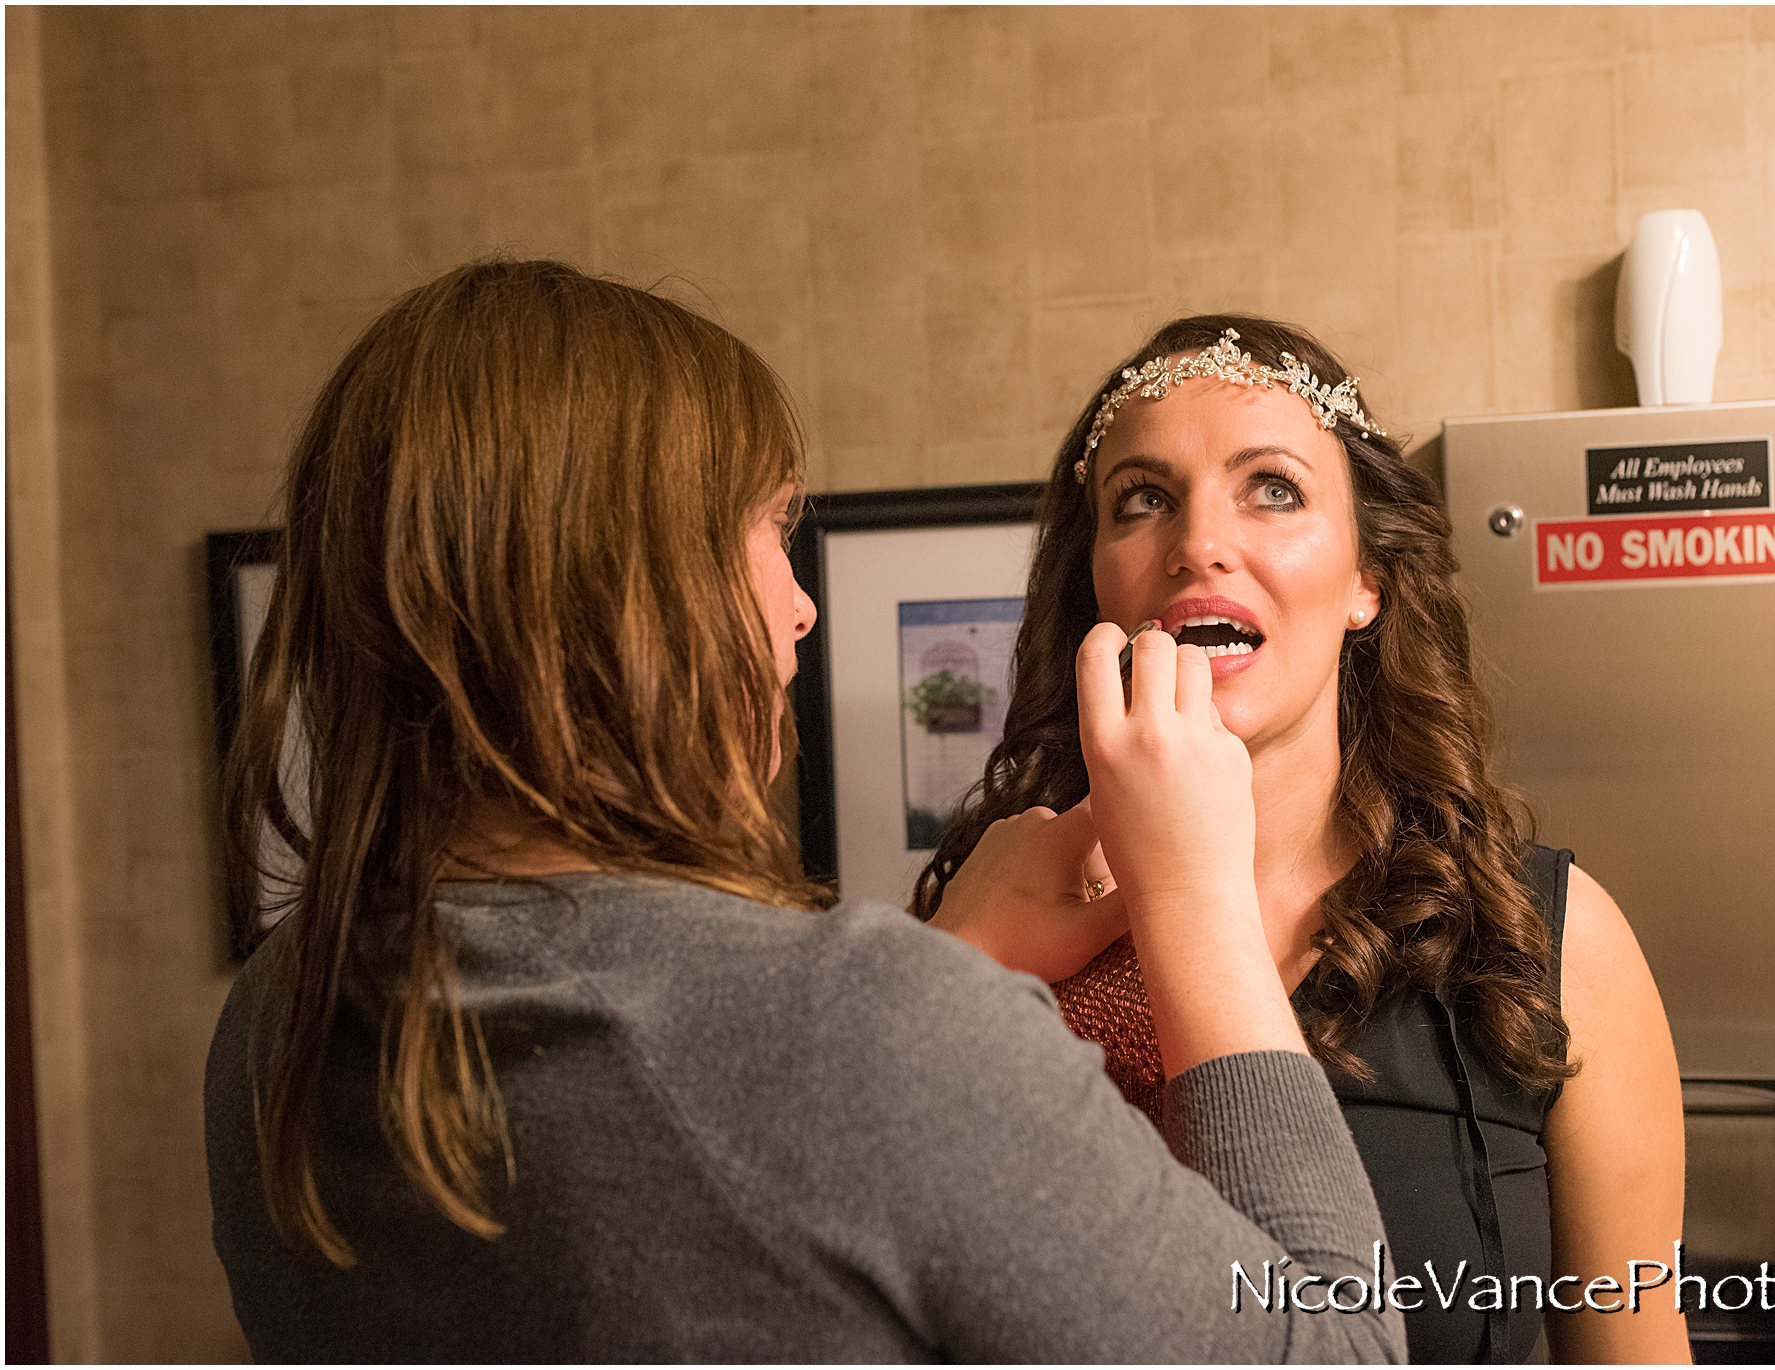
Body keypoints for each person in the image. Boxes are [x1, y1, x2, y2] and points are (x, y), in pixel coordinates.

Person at [203, 262, 1406, 1362]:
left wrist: (951, 963)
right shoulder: (860, 1028)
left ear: (1370, 579)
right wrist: (1188, 895)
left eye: (1271, 492)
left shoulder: (275, 1018)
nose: (800, 608)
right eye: (769, 534)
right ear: (626, 588)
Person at [917, 318, 1690, 1364]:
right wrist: (947, 971)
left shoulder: (1551, 946)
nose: (1198, 542)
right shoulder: (989, 923)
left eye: (1270, 487)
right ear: (1094, 580)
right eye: (1141, 499)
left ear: (1366, 577)